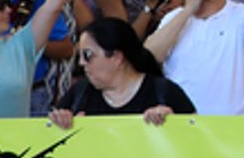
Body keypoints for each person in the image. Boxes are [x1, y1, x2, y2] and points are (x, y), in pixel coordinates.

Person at [49, 18, 196, 124]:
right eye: (79, 56)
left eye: (88, 55)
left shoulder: (164, 92)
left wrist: (174, 123)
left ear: (117, 57)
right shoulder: (79, 94)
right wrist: (60, 123)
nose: (81, 63)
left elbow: (197, 141)